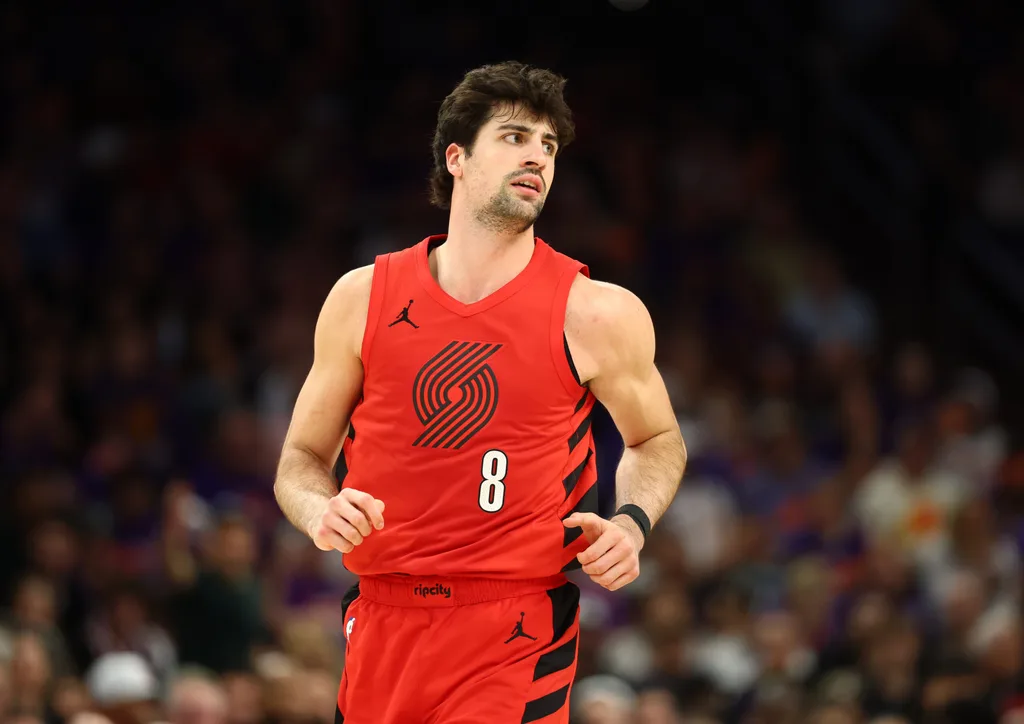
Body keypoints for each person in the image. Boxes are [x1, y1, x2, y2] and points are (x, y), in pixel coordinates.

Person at [274, 61, 687, 723]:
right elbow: (299, 460)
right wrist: (318, 510)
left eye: (549, 146)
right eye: (515, 137)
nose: (538, 157)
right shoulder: (361, 297)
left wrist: (631, 524)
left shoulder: (596, 311)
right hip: (381, 615)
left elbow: (658, 439)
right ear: (457, 158)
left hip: (513, 626)